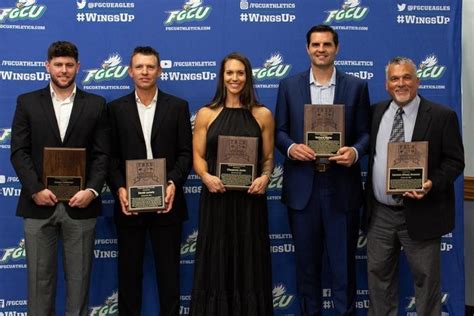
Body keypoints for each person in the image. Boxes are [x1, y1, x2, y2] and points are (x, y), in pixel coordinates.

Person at [274, 24, 370, 315]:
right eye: (315, 44)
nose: (321, 49)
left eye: (327, 44)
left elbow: (366, 134)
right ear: (307, 49)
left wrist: (354, 152)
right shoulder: (289, 86)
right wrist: (292, 148)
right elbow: (279, 131)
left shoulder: (356, 86)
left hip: (341, 188)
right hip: (304, 189)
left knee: (343, 268)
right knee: (307, 268)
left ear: (336, 48)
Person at [10, 41, 109, 316]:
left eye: (68, 65)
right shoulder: (27, 102)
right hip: (38, 205)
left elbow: (103, 155)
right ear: (47, 66)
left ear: (78, 66)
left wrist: (91, 190)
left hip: (82, 206)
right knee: (39, 284)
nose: (63, 70)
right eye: (58, 65)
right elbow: (19, 152)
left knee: (79, 285)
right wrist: (35, 189)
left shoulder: (97, 105)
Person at [364, 56, 464, 315]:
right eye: (395, 78)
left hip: (423, 211)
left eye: (407, 77)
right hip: (380, 213)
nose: (401, 83)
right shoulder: (375, 113)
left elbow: (455, 161)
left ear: (418, 81)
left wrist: (431, 183)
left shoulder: (442, 116)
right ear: (386, 84)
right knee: (378, 279)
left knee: (427, 280)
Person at [107, 46, 192, 316]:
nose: (145, 72)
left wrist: (172, 185)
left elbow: (185, 153)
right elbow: (109, 156)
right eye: (139, 67)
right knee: (129, 275)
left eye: (150, 66)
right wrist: (120, 188)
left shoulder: (178, 107)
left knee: (169, 275)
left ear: (160, 70)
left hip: (167, 203)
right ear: (130, 71)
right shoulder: (114, 109)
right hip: (128, 205)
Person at [190, 52, 275, 315]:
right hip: (217, 200)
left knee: (250, 260)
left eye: (240, 73)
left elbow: (269, 158)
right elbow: (198, 156)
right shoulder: (206, 114)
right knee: (216, 260)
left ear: (248, 77)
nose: (235, 78)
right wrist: (206, 177)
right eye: (229, 73)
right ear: (222, 77)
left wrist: (265, 177)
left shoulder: (263, 115)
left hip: (250, 202)